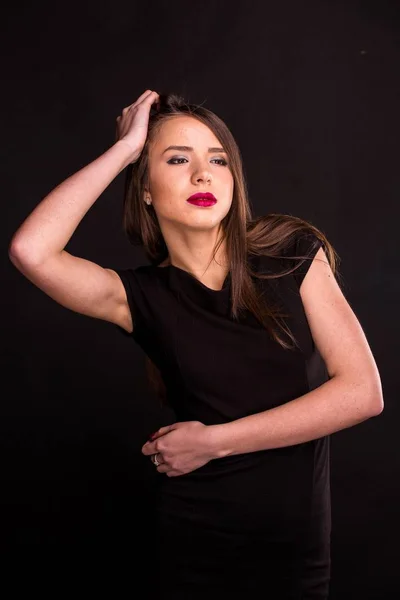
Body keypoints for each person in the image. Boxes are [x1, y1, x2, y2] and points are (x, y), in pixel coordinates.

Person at [9, 89, 383, 598]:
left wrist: (215, 441)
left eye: (218, 160)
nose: (203, 174)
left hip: (292, 553)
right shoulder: (137, 295)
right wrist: (123, 151)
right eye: (178, 159)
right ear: (144, 188)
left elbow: (362, 392)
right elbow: (31, 251)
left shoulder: (290, 253)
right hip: (193, 546)